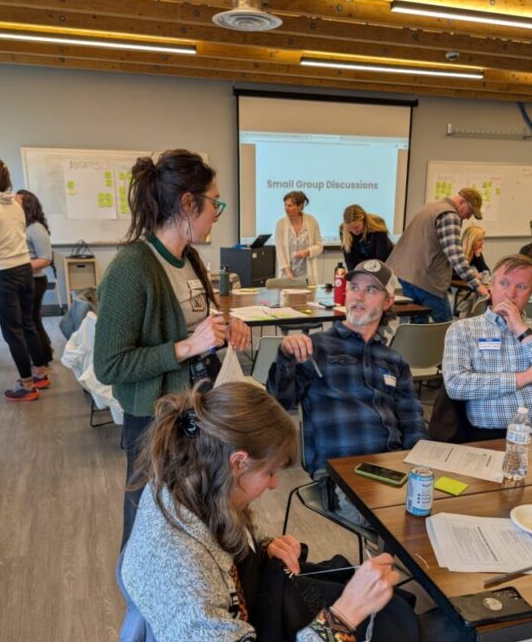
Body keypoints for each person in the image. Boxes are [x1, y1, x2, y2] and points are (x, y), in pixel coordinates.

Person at [92, 381, 515, 642]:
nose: (275, 484)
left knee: (455, 641)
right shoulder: (180, 565)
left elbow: (218, 580)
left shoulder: (180, 483)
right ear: (238, 462)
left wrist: (257, 554)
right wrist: (345, 616)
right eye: (270, 471)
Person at [94, 149, 250, 548]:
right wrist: (183, 348)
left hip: (196, 413)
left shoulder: (190, 259)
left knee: (194, 519)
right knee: (148, 525)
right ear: (187, 203)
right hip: (154, 425)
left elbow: (200, 321)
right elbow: (109, 365)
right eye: (215, 202)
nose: (218, 212)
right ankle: (141, 605)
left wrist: (225, 325)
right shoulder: (133, 267)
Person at [267, 259, 427, 524]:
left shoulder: (394, 360)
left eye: (371, 290)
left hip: (393, 469)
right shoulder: (315, 347)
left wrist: (422, 468)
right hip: (344, 472)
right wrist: (285, 357)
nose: (359, 297)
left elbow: (412, 420)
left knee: (442, 510)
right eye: (354, 287)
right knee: (402, 526)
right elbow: (279, 401)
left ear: (388, 302)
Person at [443, 254, 532, 441]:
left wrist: (523, 332)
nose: (511, 293)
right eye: (504, 283)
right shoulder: (463, 330)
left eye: (522, 287)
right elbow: (456, 386)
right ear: (491, 285)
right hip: (489, 434)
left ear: (531, 292)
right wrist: (524, 377)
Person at [0, 157, 49, 401]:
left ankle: (28, 386)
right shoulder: (15, 204)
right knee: (28, 323)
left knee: (12, 332)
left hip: (3, 274)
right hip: (24, 270)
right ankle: (40, 372)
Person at [387, 188, 489, 322]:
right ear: (462, 202)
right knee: (445, 324)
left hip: (406, 274)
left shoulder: (431, 207)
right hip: (426, 280)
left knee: (417, 322)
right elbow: (456, 256)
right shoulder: (449, 215)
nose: (469, 217)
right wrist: (477, 285)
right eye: (470, 211)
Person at [15, 189, 54, 366]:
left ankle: (43, 357)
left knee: (31, 321)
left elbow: (45, 259)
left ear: (28, 205)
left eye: (17, 202)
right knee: (31, 320)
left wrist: (19, 266)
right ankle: (43, 355)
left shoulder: (35, 228)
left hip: (36, 281)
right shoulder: (22, 227)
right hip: (27, 280)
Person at [274, 190, 322, 282]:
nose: (286, 208)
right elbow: (280, 251)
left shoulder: (312, 221)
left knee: (309, 296)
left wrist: (307, 252)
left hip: (307, 275)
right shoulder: (280, 224)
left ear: (300, 206)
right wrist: (288, 273)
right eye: (285, 205)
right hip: (287, 274)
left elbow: (319, 245)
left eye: (290, 205)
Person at [340, 204, 393, 270]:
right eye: (350, 229)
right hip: (362, 265)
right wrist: (353, 274)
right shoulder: (343, 229)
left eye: (357, 227)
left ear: (364, 220)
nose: (354, 231)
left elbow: (381, 257)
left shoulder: (377, 225)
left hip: (385, 263)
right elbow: (349, 259)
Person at [453, 225, 490, 317]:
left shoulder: (475, 253)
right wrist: (473, 275)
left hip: (467, 287)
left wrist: (478, 256)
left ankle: (474, 316)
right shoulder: (458, 253)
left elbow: (486, 271)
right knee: (476, 294)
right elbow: (452, 274)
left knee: (481, 295)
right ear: (471, 240)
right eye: (479, 240)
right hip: (454, 288)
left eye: (483, 240)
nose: (482, 243)